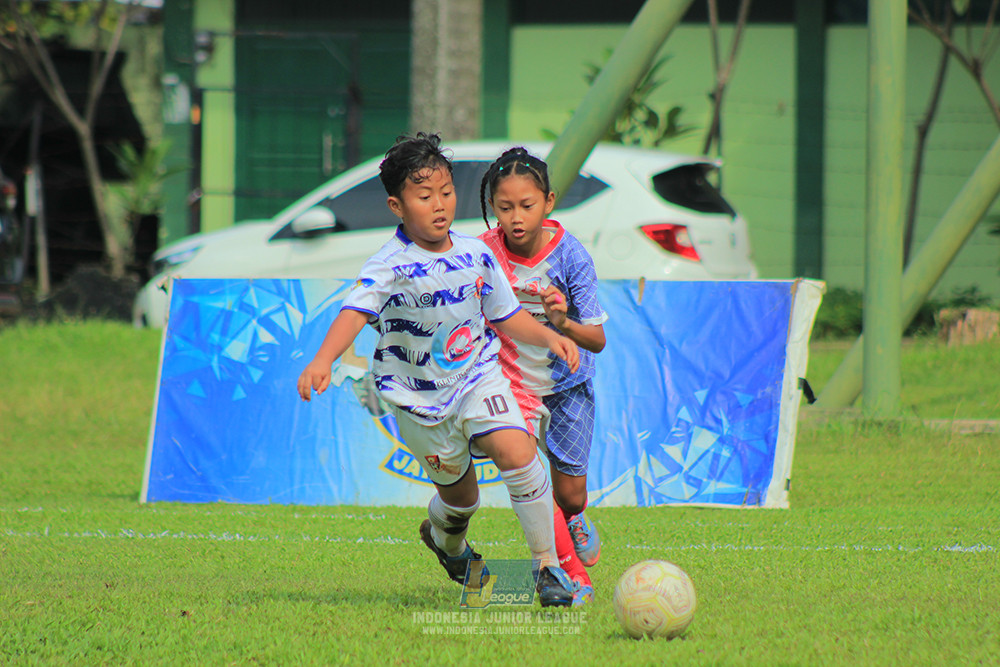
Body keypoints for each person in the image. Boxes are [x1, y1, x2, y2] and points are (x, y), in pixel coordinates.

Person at [296, 132, 582, 607]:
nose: (439, 204)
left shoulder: (476, 254)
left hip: (477, 377)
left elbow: (506, 315)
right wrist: (323, 359)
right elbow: (354, 313)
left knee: (519, 450)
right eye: (424, 196)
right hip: (419, 400)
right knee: (461, 501)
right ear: (396, 205)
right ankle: (448, 545)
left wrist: (550, 335)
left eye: (446, 192)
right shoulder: (388, 266)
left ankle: (547, 570)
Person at [478, 147, 608, 606]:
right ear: (493, 206)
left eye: (527, 206)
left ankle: (576, 518)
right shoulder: (482, 254)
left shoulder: (572, 258)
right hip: (509, 385)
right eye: (505, 206)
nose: (515, 217)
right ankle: (570, 577)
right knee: (530, 474)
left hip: (567, 386)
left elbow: (596, 340)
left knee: (570, 494)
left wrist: (562, 322)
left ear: (548, 202)